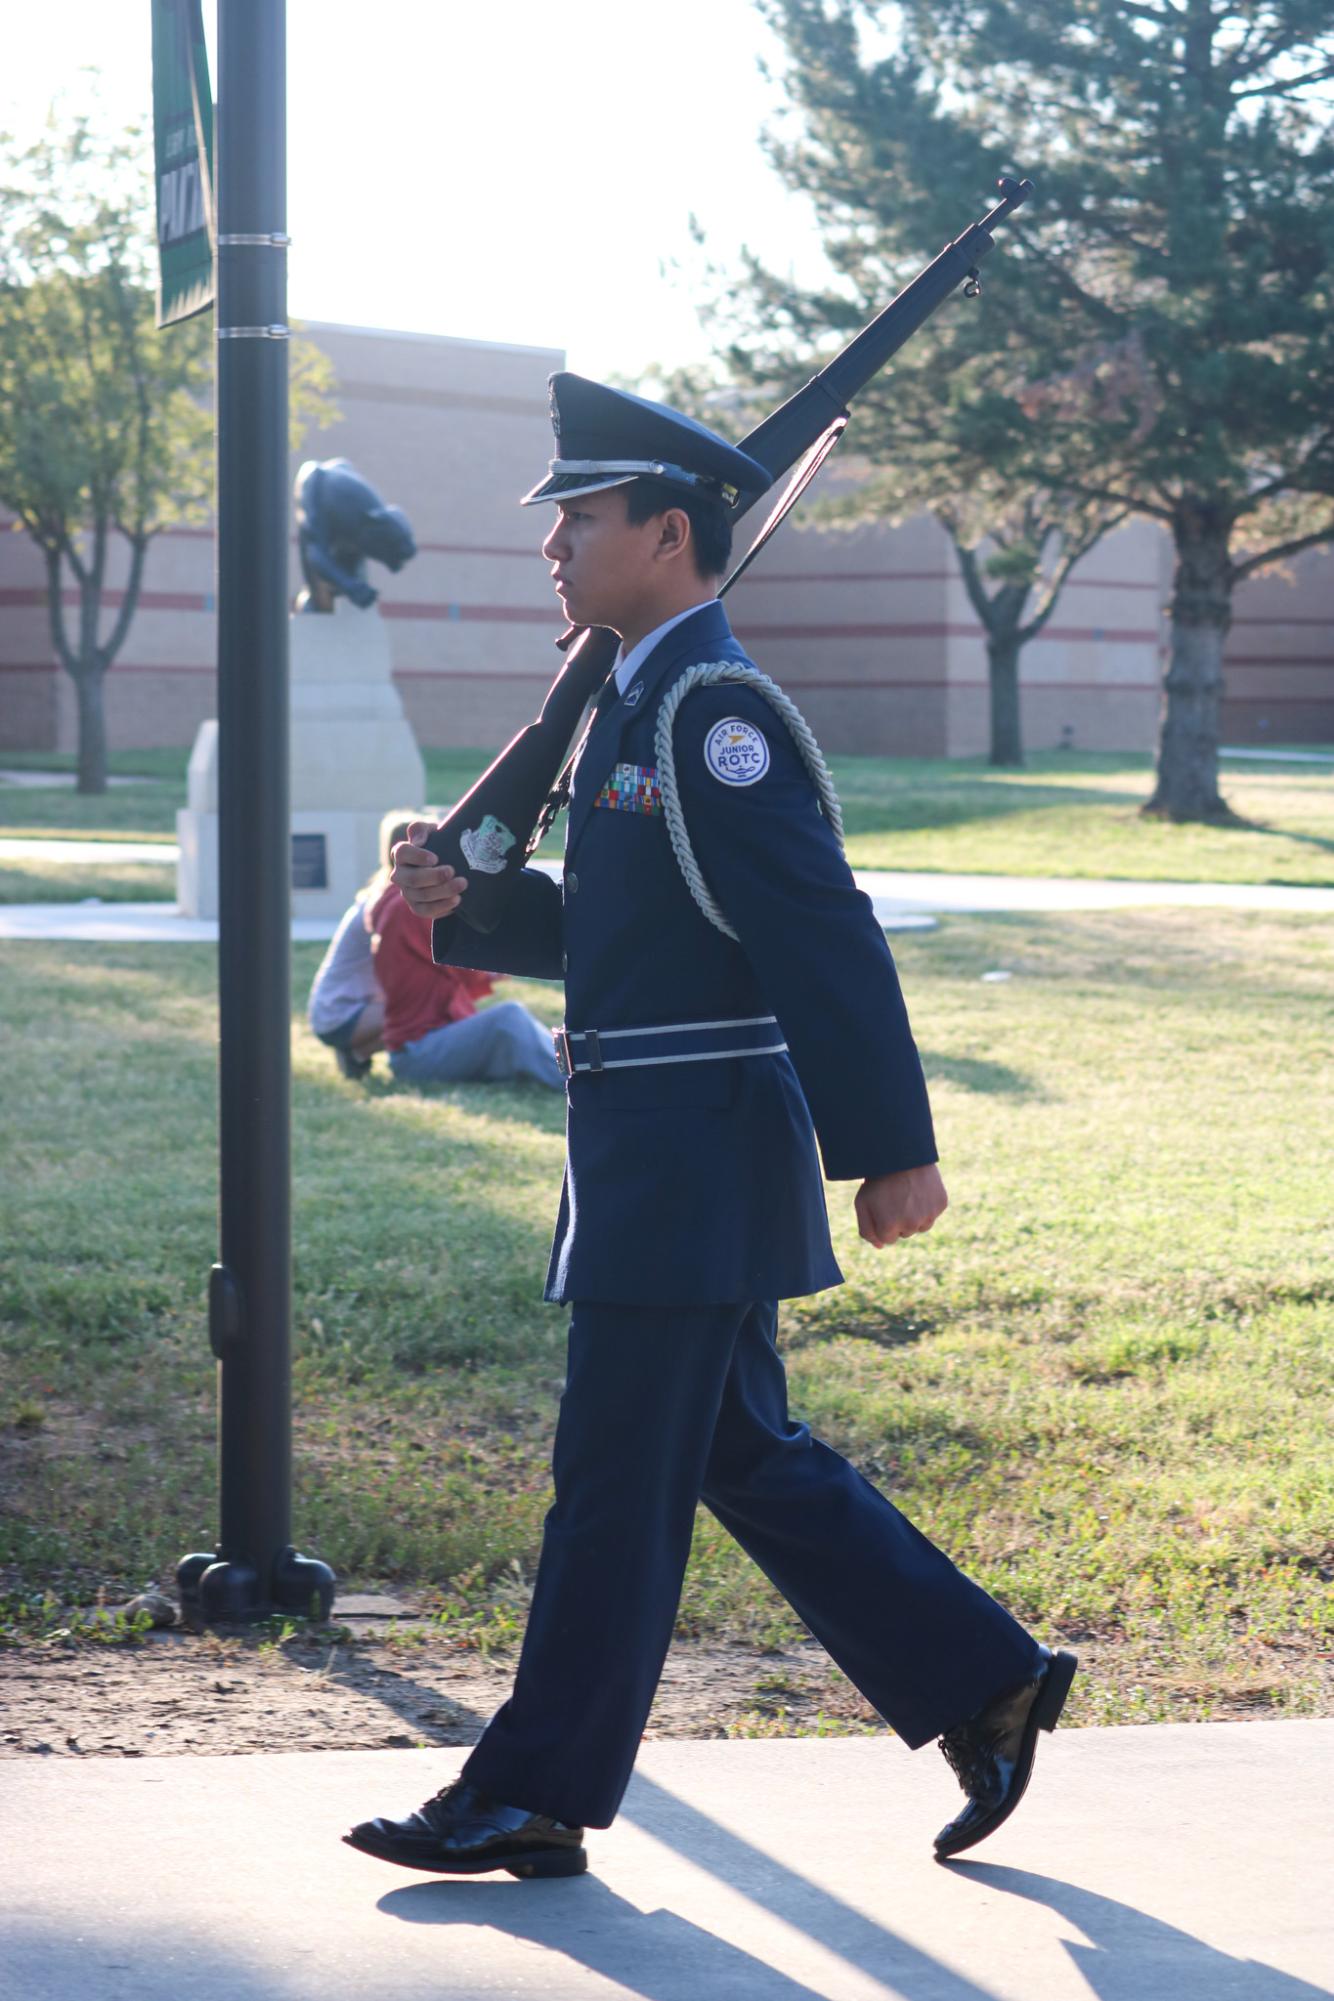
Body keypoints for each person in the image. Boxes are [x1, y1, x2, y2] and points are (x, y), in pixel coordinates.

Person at [344, 375, 1076, 1882]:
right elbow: (631, 926)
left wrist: (892, 1148)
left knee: (612, 1480)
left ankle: (530, 1788)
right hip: (653, 1155)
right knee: (746, 1455)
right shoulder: (634, 696)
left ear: (668, 535)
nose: (553, 542)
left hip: (690, 1162)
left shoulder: (709, 710)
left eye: (583, 516)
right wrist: (469, 898)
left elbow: (816, 931)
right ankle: (980, 1680)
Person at [369, 869, 562, 1090]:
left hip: (418, 1047)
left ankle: (567, 1063)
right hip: (419, 1053)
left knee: (512, 1029)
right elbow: (468, 970)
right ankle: (571, 1080)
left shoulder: (391, 903)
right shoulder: (411, 908)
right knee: (509, 1018)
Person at [306, 884, 385, 1082]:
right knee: (428, 1008)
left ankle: (357, 1053)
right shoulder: (383, 905)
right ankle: (358, 1052)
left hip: (330, 1013)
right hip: (340, 1014)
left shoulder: (373, 899)